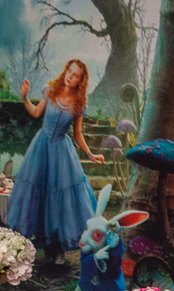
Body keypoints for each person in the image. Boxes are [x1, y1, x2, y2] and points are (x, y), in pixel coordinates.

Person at [6, 59, 105, 264]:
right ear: (65, 71)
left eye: (76, 75)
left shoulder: (79, 104)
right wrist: (24, 97)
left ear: (80, 81)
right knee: (39, 195)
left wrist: (90, 154)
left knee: (60, 200)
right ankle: (45, 246)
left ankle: (58, 248)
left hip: (61, 152)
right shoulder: (50, 91)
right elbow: (36, 113)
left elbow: (77, 134)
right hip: (41, 148)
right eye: (70, 71)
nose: (70, 76)